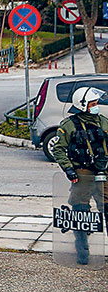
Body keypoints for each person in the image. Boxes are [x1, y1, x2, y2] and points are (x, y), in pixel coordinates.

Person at [52, 86, 108, 266]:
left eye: (96, 102)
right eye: (93, 103)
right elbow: (58, 149)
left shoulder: (103, 121)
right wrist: (69, 169)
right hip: (82, 173)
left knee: (107, 209)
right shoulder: (69, 125)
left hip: (104, 172)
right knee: (80, 212)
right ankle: (82, 250)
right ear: (82, 105)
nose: (96, 105)